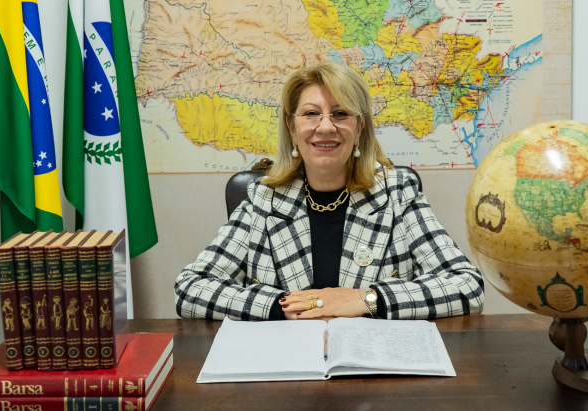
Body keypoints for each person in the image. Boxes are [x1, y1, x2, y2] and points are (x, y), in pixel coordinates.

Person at [175, 60, 484, 321]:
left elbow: (466, 285)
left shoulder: (398, 194)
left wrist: (368, 299)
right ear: (292, 128)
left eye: (340, 114)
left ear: (359, 127)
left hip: (375, 372)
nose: (325, 127)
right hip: (287, 372)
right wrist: (280, 306)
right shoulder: (263, 200)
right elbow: (191, 287)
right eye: (311, 114)